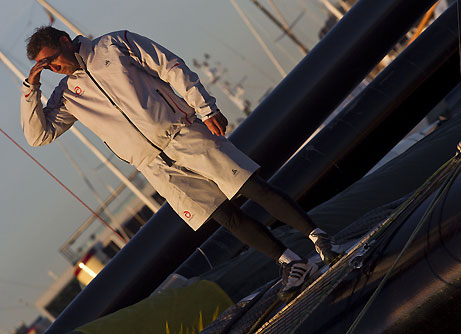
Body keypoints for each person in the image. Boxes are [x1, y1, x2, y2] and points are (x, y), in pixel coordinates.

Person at [21, 26, 340, 299]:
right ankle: (291, 262)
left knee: (250, 186)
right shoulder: (67, 96)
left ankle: (319, 237)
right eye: (43, 67)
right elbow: (39, 136)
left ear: (64, 40)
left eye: (50, 60)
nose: (51, 68)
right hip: (154, 165)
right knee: (223, 216)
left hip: (182, 133)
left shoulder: (114, 44)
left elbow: (170, 66)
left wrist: (207, 108)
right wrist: (30, 88)